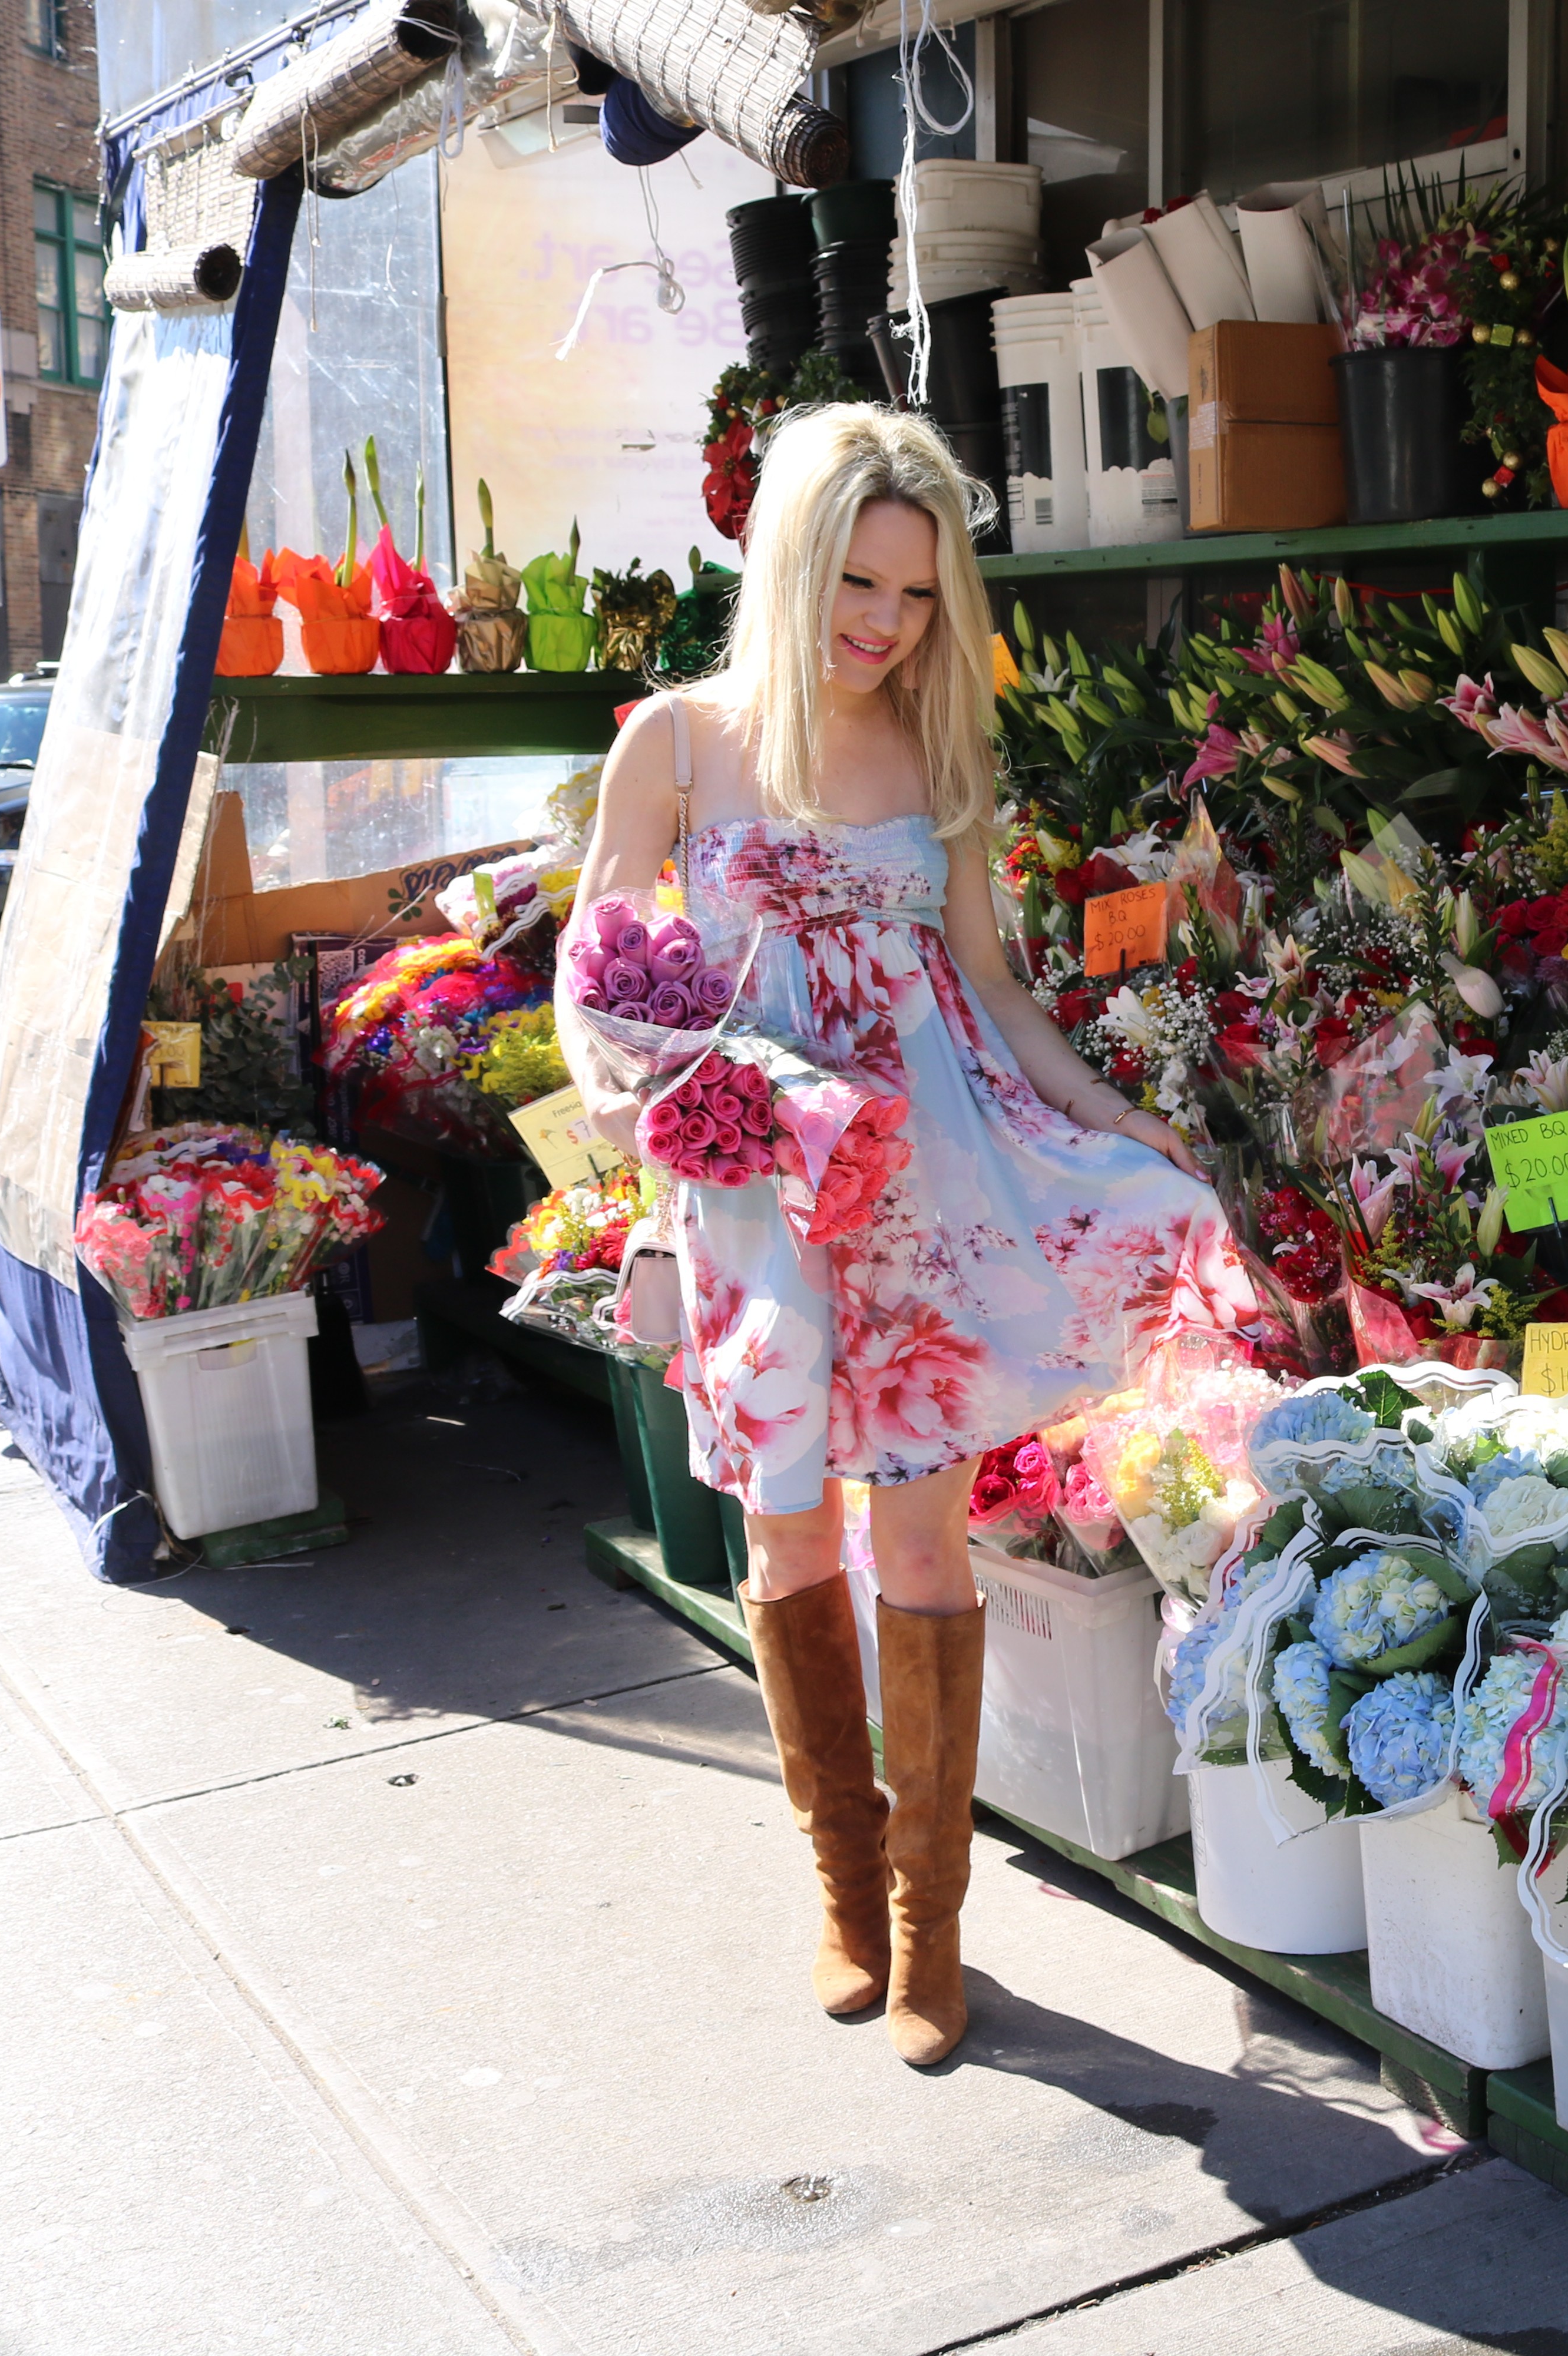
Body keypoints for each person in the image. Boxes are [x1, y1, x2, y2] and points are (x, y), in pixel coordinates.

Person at [557, 406, 1248, 2068]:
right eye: (857, 579)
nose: (883, 621)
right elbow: (598, 961)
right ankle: (846, 1894)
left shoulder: (932, 759)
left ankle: (938, 1931)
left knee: (925, 1553)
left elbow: (991, 987)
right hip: (757, 1201)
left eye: (919, 594)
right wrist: (620, 1085)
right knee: (791, 1545)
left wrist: (1103, 1115)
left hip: (928, 1199)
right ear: (791, 560)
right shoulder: (677, 740)